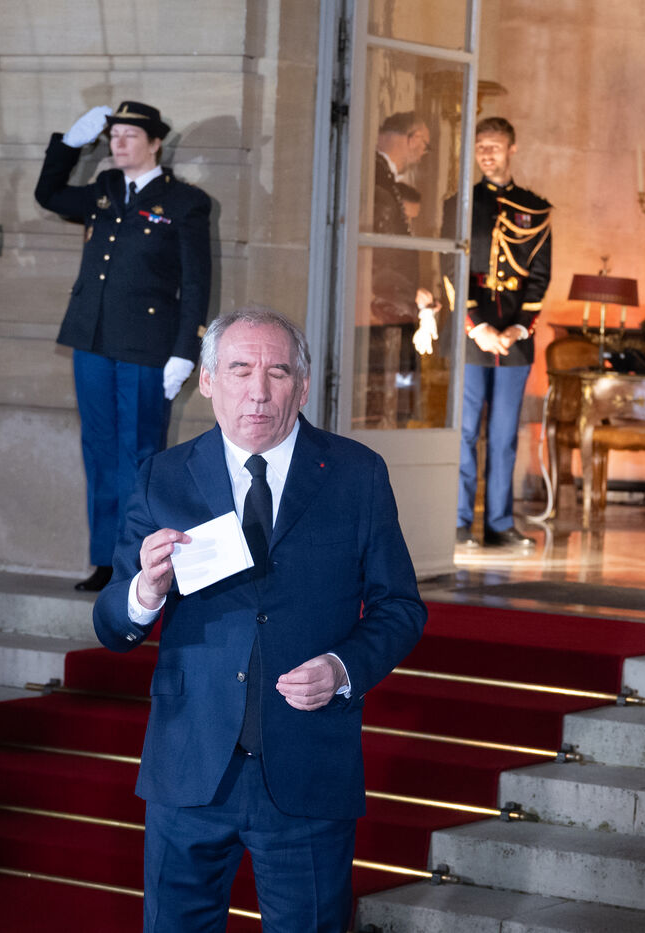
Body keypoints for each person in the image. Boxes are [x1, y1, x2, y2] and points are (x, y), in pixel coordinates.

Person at [94, 308, 427, 932]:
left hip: (308, 768)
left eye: (277, 372)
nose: (258, 391)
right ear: (207, 381)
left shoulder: (356, 474)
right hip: (188, 767)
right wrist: (145, 589)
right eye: (240, 369)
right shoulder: (163, 476)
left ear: (302, 386)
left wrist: (342, 668)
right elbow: (112, 623)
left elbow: (401, 607)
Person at [36, 101, 213, 592]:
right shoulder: (105, 189)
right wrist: (70, 145)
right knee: (98, 451)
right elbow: (48, 194)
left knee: (139, 456)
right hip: (92, 339)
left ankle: (135, 561)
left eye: (130, 135)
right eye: (113, 136)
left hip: (146, 348)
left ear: (155, 143)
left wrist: (185, 350)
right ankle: (104, 559)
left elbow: (196, 283)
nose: (118, 143)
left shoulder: (184, 202)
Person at [442, 117, 551, 549]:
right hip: (473, 334)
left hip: (515, 339)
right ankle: (457, 522)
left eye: (495, 146)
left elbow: (539, 277)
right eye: (481, 146)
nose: (487, 154)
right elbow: (450, 267)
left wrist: (519, 328)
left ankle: (499, 525)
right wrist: (478, 326)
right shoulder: (460, 204)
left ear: (512, 149)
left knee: (504, 437)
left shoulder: (534, 209)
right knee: (465, 432)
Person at [367, 112, 437, 426]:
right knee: (385, 405)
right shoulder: (377, 178)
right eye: (425, 145)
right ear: (413, 139)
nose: (422, 154)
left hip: (392, 308)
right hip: (379, 312)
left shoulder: (383, 177)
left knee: (398, 398)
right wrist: (411, 294)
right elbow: (377, 259)